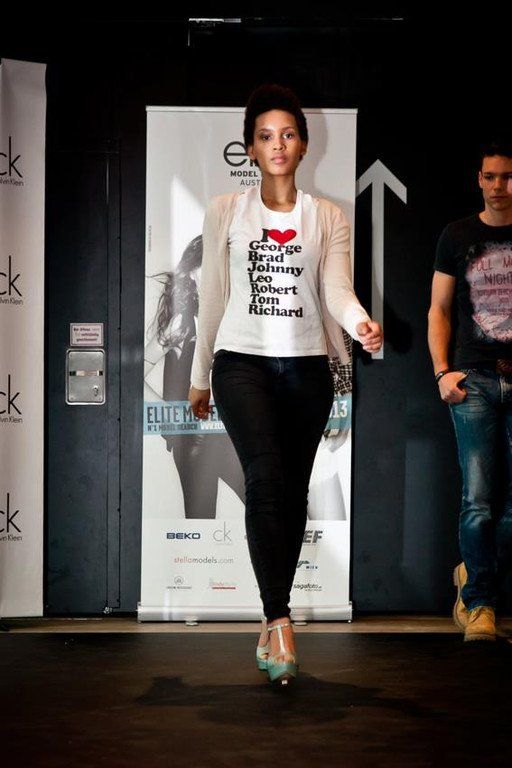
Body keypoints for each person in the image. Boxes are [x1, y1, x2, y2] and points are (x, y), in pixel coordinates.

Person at [188, 83, 383, 684]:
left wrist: (361, 324)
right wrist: (199, 376)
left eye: (288, 134)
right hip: (241, 364)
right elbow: (212, 297)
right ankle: (278, 618)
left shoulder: (327, 217)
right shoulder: (226, 210)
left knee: (292, 493)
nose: (278, 144)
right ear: (250, 147)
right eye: (266, 136)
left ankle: (273, 618)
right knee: (266, 479)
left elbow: (336, 290)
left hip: (305, 368)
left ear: (303, 145)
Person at [428, 139, 512, 642]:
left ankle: (473, 576)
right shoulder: (457, 235)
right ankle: (480, 605)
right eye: (491, 176)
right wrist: (442, 371)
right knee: (478, 499)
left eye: (508, 176)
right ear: (479, 180)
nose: (499, 186)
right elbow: (438, 309)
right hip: (474, 380)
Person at [144, 235, 245, 519]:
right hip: (194, 438)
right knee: (201, 519)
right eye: (209, 267)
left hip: (230, 430)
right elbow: (135, 371)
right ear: (192, 272)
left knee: (265, 502)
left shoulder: (233, 314)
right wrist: (167, 413)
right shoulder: (182, 322)